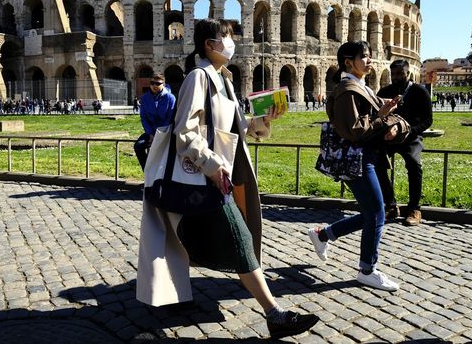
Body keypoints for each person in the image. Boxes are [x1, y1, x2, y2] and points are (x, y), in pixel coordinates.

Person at [137, 18, 319, 339]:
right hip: (207, 177)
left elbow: (236, 127)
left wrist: (262, 120)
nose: (231, 42)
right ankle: (275, 314)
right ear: (209, 45)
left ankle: (177, 293)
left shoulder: (226, 81)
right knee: (240, 238)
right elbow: (184, 130)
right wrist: (210, 164)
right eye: (227, 37)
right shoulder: (199, 77)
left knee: (212, 238)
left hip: (223, 175)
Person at [308, 41, 404, 292]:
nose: (370, 59)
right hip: (356, 159)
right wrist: (381, 116)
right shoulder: (347, 90)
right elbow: (353, 130)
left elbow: (372, 120)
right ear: (349, 62)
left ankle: (323, 235)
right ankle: (367, 270)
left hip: (365, 158)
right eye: (365, 56)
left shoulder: (360, 87)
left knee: (373, 212)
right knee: (377, 212)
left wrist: (391, 121)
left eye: (371, 55)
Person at [376, 59, 433, 226]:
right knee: (377, 162)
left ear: (408, 74)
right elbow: (378, 115)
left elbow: (428, 120)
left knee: (414, 164)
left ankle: (415, 208)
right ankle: (390, 205)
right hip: (389, 137)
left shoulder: (419, 92)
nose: (396, 77)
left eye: (400, 73)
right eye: (394, 74)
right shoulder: (385, 91)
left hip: (411, 137)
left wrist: (409, 131)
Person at [133, 73, 176, 170]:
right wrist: (150, 134)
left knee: (165, 153)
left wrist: (159, 134)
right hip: (150, 132)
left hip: (166, 132)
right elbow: (143, 117)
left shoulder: (170, 98)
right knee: (138, 146)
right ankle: (148, 171)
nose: (154, 86)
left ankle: (164, 176)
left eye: (158, 83)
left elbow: (169, 118)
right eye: (152, 83)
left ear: (163, 84)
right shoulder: (145, 98)